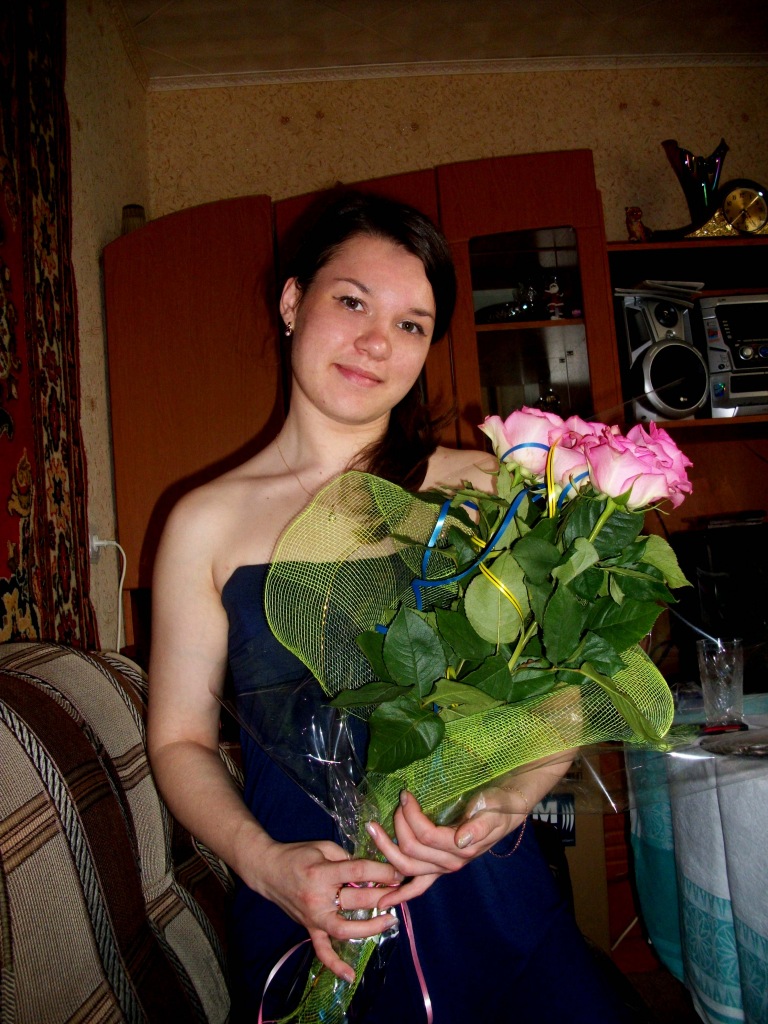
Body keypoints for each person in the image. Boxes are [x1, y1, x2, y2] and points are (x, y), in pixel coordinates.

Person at [147, 191, 638, 1023]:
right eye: (352, 302)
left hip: (489, 904)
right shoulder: (203, 523)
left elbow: (570, 678)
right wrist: (265, 865)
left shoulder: (487, 489)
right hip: (306, 915)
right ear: (292, 302)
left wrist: (513, 795)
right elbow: (179, 740)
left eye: (411, 324)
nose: (378, 342)